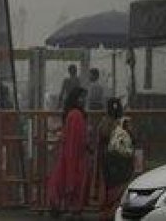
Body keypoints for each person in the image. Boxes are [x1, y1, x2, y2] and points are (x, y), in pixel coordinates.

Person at [47, 86, 90, 215]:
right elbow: (75, 139)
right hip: (75, 155)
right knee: (73, 180)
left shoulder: (71, 114)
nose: (83, 100)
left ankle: (62, 206)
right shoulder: (76, 115)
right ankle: (71, 207)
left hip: (69, 154)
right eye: (81, 97)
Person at [98, 98, 134, 221]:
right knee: (119, 186)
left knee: (110, 186)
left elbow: (102, 136)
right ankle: (114, 212)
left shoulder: (105, 122)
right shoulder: (124, 122)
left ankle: (108, 213)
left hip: (110, 160)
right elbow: (133, 138)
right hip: (122, 161)